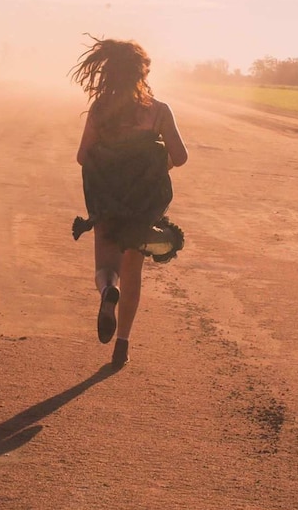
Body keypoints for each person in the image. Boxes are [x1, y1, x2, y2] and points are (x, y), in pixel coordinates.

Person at [70, 36, 188, 368]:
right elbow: (180, 156)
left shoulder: (100, 109)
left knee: (106, 269)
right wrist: (155, 162)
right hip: (142, 204)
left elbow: (82, 157)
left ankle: (108, 291)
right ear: (142, 72)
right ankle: (121, 346)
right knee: (133, 271)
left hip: (107, 200)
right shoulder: (159, 111)